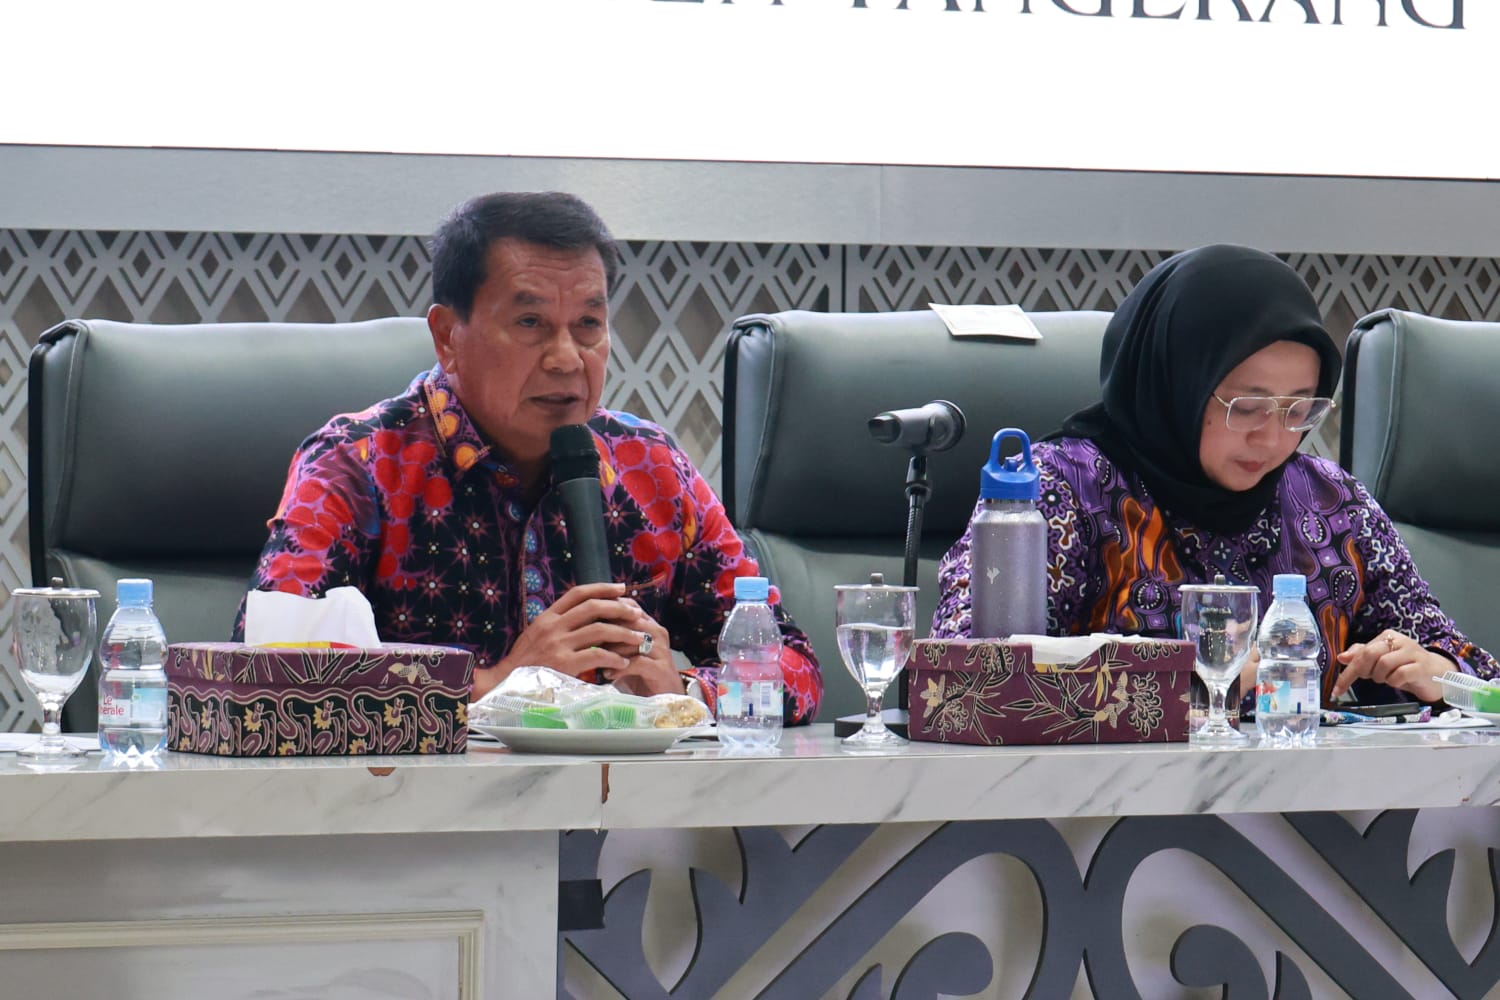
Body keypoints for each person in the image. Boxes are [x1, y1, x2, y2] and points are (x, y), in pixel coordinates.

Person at [236, 191, 822, 719]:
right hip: (415, 804)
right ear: (447, 337)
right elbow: (266, 677)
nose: (566, 358)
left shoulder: (652, 468)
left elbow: (794, 667)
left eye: (588, 324)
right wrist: (497, 686)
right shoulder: (356, 463)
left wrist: (685, 693)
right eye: (530, 322)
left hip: (622, 800)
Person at [932, 244, 1497, 705]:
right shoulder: (1056, 491)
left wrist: (1438, 672)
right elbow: (962, 684)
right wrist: (1190, 685)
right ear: (1176, 385)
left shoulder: (1332, 503)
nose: (1273, 439)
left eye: (1299, 409)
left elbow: (1481, 681)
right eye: (1246, 408)